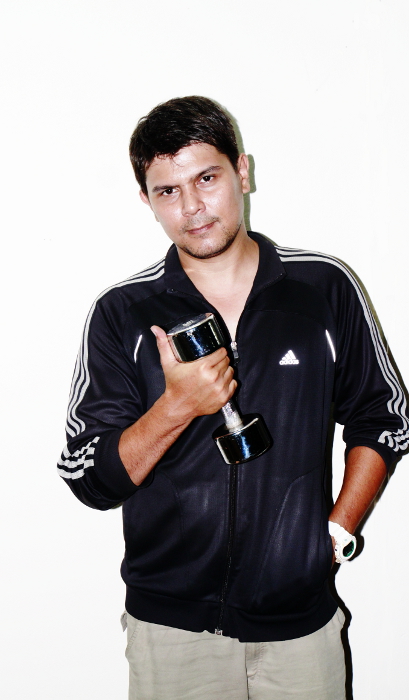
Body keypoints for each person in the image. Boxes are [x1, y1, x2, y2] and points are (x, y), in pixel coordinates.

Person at [58, 96, 408, 699]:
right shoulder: (123, 313)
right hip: (171, 631)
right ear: (146, 200)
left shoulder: (323, 288)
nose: (192, 207)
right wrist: (176, 406)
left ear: (242, 172)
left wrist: (338, 530)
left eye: (207, 178)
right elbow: (89, 477)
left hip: (300, 624)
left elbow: (383, 417)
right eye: (168, 191)